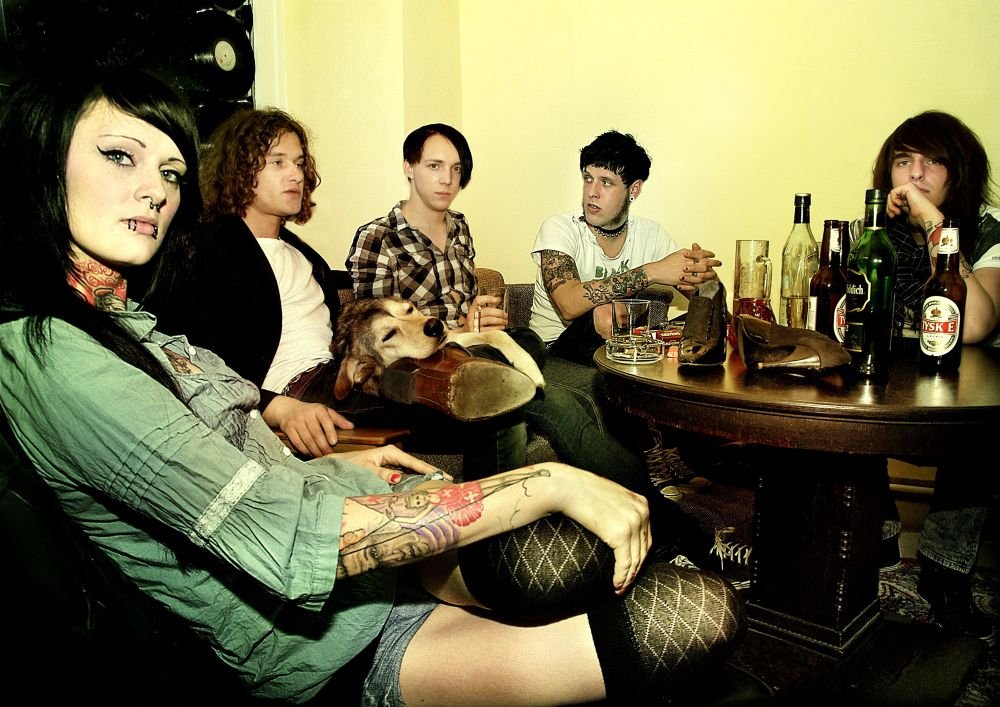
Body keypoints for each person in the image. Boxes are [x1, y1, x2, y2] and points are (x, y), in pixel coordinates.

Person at [0, 68, 748, 704]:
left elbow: (237, 445)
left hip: (371, 543)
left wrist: (334, 462)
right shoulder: (54, 353)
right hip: (319, 631)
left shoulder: (131, 321)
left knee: (598, 529)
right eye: (118, 156)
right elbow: (282, 536)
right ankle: (654, 519)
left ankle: (653, 522)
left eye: (169, 172)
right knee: (694, 608)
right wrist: (544, 483)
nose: (155, 192)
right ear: (40, 161)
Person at [345, 123, 715, 547]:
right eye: (434, 166)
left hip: (478, 353)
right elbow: (376, 336)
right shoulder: (378, 238)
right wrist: (457, 331)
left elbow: (465, 308)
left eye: (456, 168)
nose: (447, 179)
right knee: (559, 402)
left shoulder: (459, 228)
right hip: (429, 376)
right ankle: (674, 529)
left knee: (591, 385)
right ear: (409, 168)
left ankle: (646, 500)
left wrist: (476, 320)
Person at [144, 108, 525, 475]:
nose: (295, 174)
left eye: (299, 163)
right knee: (492, 402)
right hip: (296, 390)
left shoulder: (305, 256)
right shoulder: (210, 245)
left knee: (497, 399)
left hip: (343, 374)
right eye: (277, 162)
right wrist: (277, 408)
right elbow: (183, 354)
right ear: (241, 169)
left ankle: (460, 377)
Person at [871, 110, 999, 644]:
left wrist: (932, 223)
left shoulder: (989, 228)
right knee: (840, 403)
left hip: (966, 382)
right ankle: (876, 548)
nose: (916, 175)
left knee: (978, 433)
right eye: (904, 162)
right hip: (891, 378)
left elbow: (976, 324)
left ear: (958, 171)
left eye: (932, 162)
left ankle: (945, 574)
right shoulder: (872, 228)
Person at [528, 130, 721, 366]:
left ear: (634, 189)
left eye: (606, 182)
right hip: (553, 351)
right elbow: (568, 304)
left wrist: (706, 278)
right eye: (588, 178)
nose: (592, 192)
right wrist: (652, 271)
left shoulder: (650, 234)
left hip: (620, 348)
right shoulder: (559, 227)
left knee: (691, 328)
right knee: (605, 313)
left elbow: (710, 305)